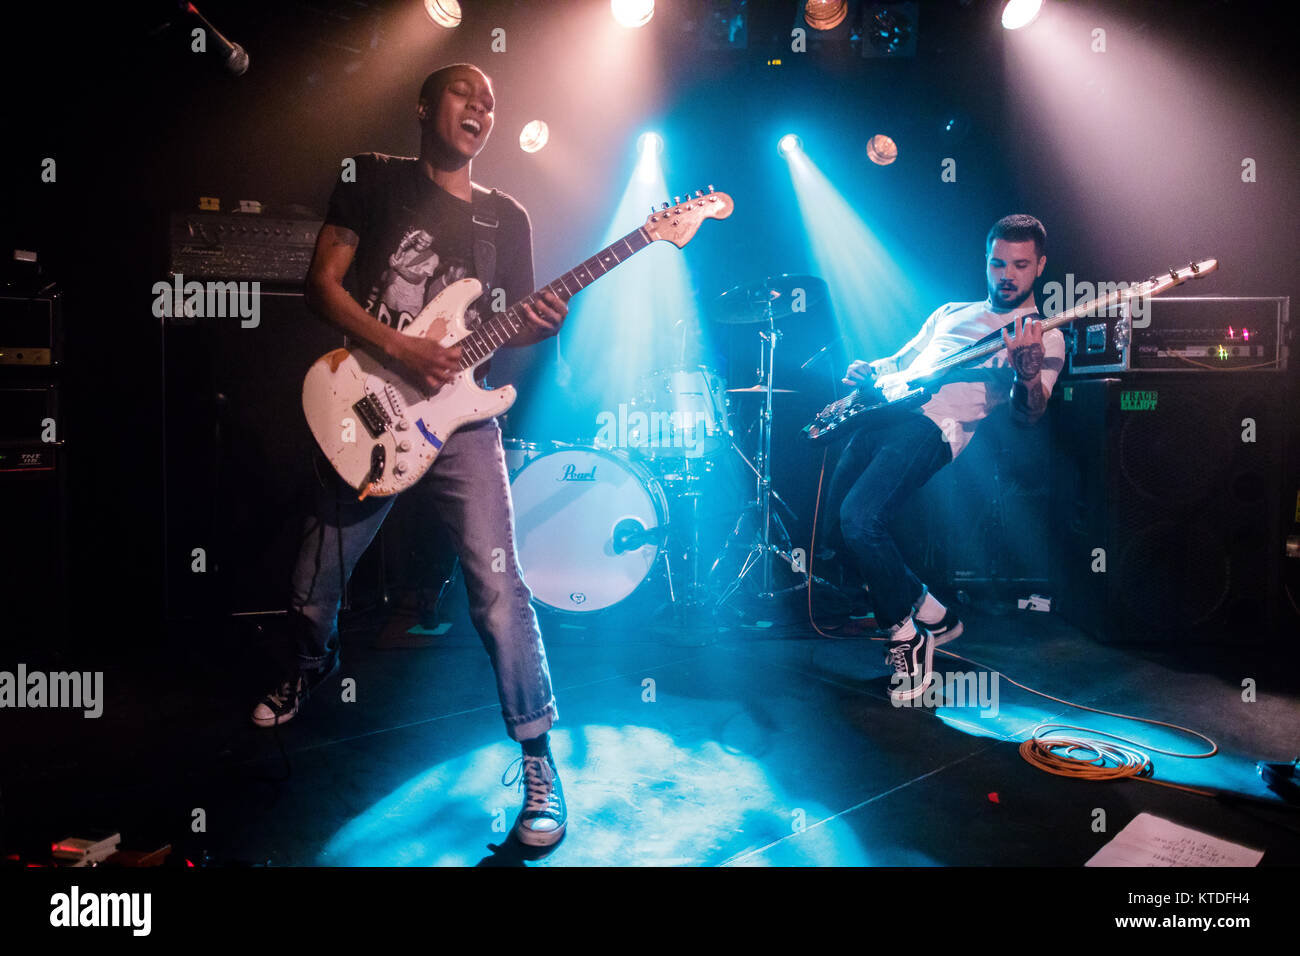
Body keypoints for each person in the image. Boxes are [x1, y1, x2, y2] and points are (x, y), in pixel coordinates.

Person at [251, 63, 570, 847]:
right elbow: (320, 286)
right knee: (314, 576)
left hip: (463, 424)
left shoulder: (508, 217)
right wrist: (400, 346)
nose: (481, 108)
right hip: (370, 403)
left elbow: (513, 319)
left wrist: (543, 321)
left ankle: (537, 756)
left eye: (492, 102)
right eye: (466, 94)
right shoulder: (370, 178)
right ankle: (308, 662)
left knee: (501, 588)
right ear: (425, 106)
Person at [826, 214, 1065, 702]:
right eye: (998, 263)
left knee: (860, 518)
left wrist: (1025, 375)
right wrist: (867, 369)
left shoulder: (1044, 336)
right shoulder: (951, 311)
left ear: (1039, 266)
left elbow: (1030, 414)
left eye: (1020, 265)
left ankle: (906, 637)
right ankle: (931, 610)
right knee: (839, 526)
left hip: (933, 427)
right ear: (986, 261)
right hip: (884, 413)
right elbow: (900, 362)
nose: (1007, 274)